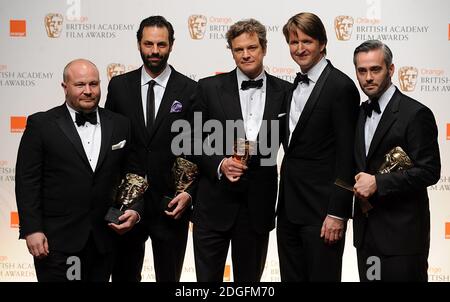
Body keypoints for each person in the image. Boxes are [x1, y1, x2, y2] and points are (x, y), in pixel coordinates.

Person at [15, 59, 141, 282]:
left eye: (94, 84)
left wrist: (134, 209)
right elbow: (27, 182)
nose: (88, 91)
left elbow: (132, 174)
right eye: (80, 84)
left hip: (105, 239)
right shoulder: (41, 124)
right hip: (56, 242)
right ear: (65, 87)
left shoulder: (121, 124)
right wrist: (32, 229)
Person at [190, 18, 291, 282]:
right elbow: (191, 140)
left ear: (264, 48)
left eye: (252, 48)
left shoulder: (286, 92)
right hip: (213, 204)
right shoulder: (208, 88)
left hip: (258, 207)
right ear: (231, 51)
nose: (245, 55)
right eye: (238, 49)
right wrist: (220, 164)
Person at [105, 16, 197, 282]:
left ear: (171, 45)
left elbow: (196, 149)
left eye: (161, 44)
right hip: (127, 203)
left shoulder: (191, 90)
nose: (154, 51)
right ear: (138, 44)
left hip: (170, 205)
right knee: (123, 277)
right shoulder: (119, 86)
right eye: (148, 44)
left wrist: (189, 193)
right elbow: (110, 145)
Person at [277, 12, 360, 281]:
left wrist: (338, 212)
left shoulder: (341, 86)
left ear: (322, 43)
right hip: (288, 210)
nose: (299, 48)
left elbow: (348, 156)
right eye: (293, 42)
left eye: (307, 41)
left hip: (323, 213)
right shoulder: (291, 89)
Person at [352, 40, 440, 282]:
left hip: (403, 239)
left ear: (390, 70)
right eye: (362, 71)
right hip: (366, 235)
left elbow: (430, 171)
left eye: (375, 69)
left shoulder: (415, 113)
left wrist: (378, 183)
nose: (368, 77)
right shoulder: (359, 114)